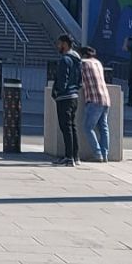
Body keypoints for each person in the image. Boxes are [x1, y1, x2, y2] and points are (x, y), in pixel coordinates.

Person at [51, 35, 83, 167]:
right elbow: (80, 81)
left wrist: (58, 91)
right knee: (72, 127)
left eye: (59, 44)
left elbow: (62, 79)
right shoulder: (78, 60)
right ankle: (75, 156)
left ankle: (69, 157)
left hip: (65, 97)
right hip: (74, 96)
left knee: (66, 128)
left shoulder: (65, 60)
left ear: (65, 44)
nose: (58, 46)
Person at [78, 45, 111, 162]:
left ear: (83, 55)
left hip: (93, 99)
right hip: (105, 98)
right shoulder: (98, 63)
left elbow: (77, 78)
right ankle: (105, 154)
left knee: (88, 127)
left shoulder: (83, 63)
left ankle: (97, 154)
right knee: (103, 127)